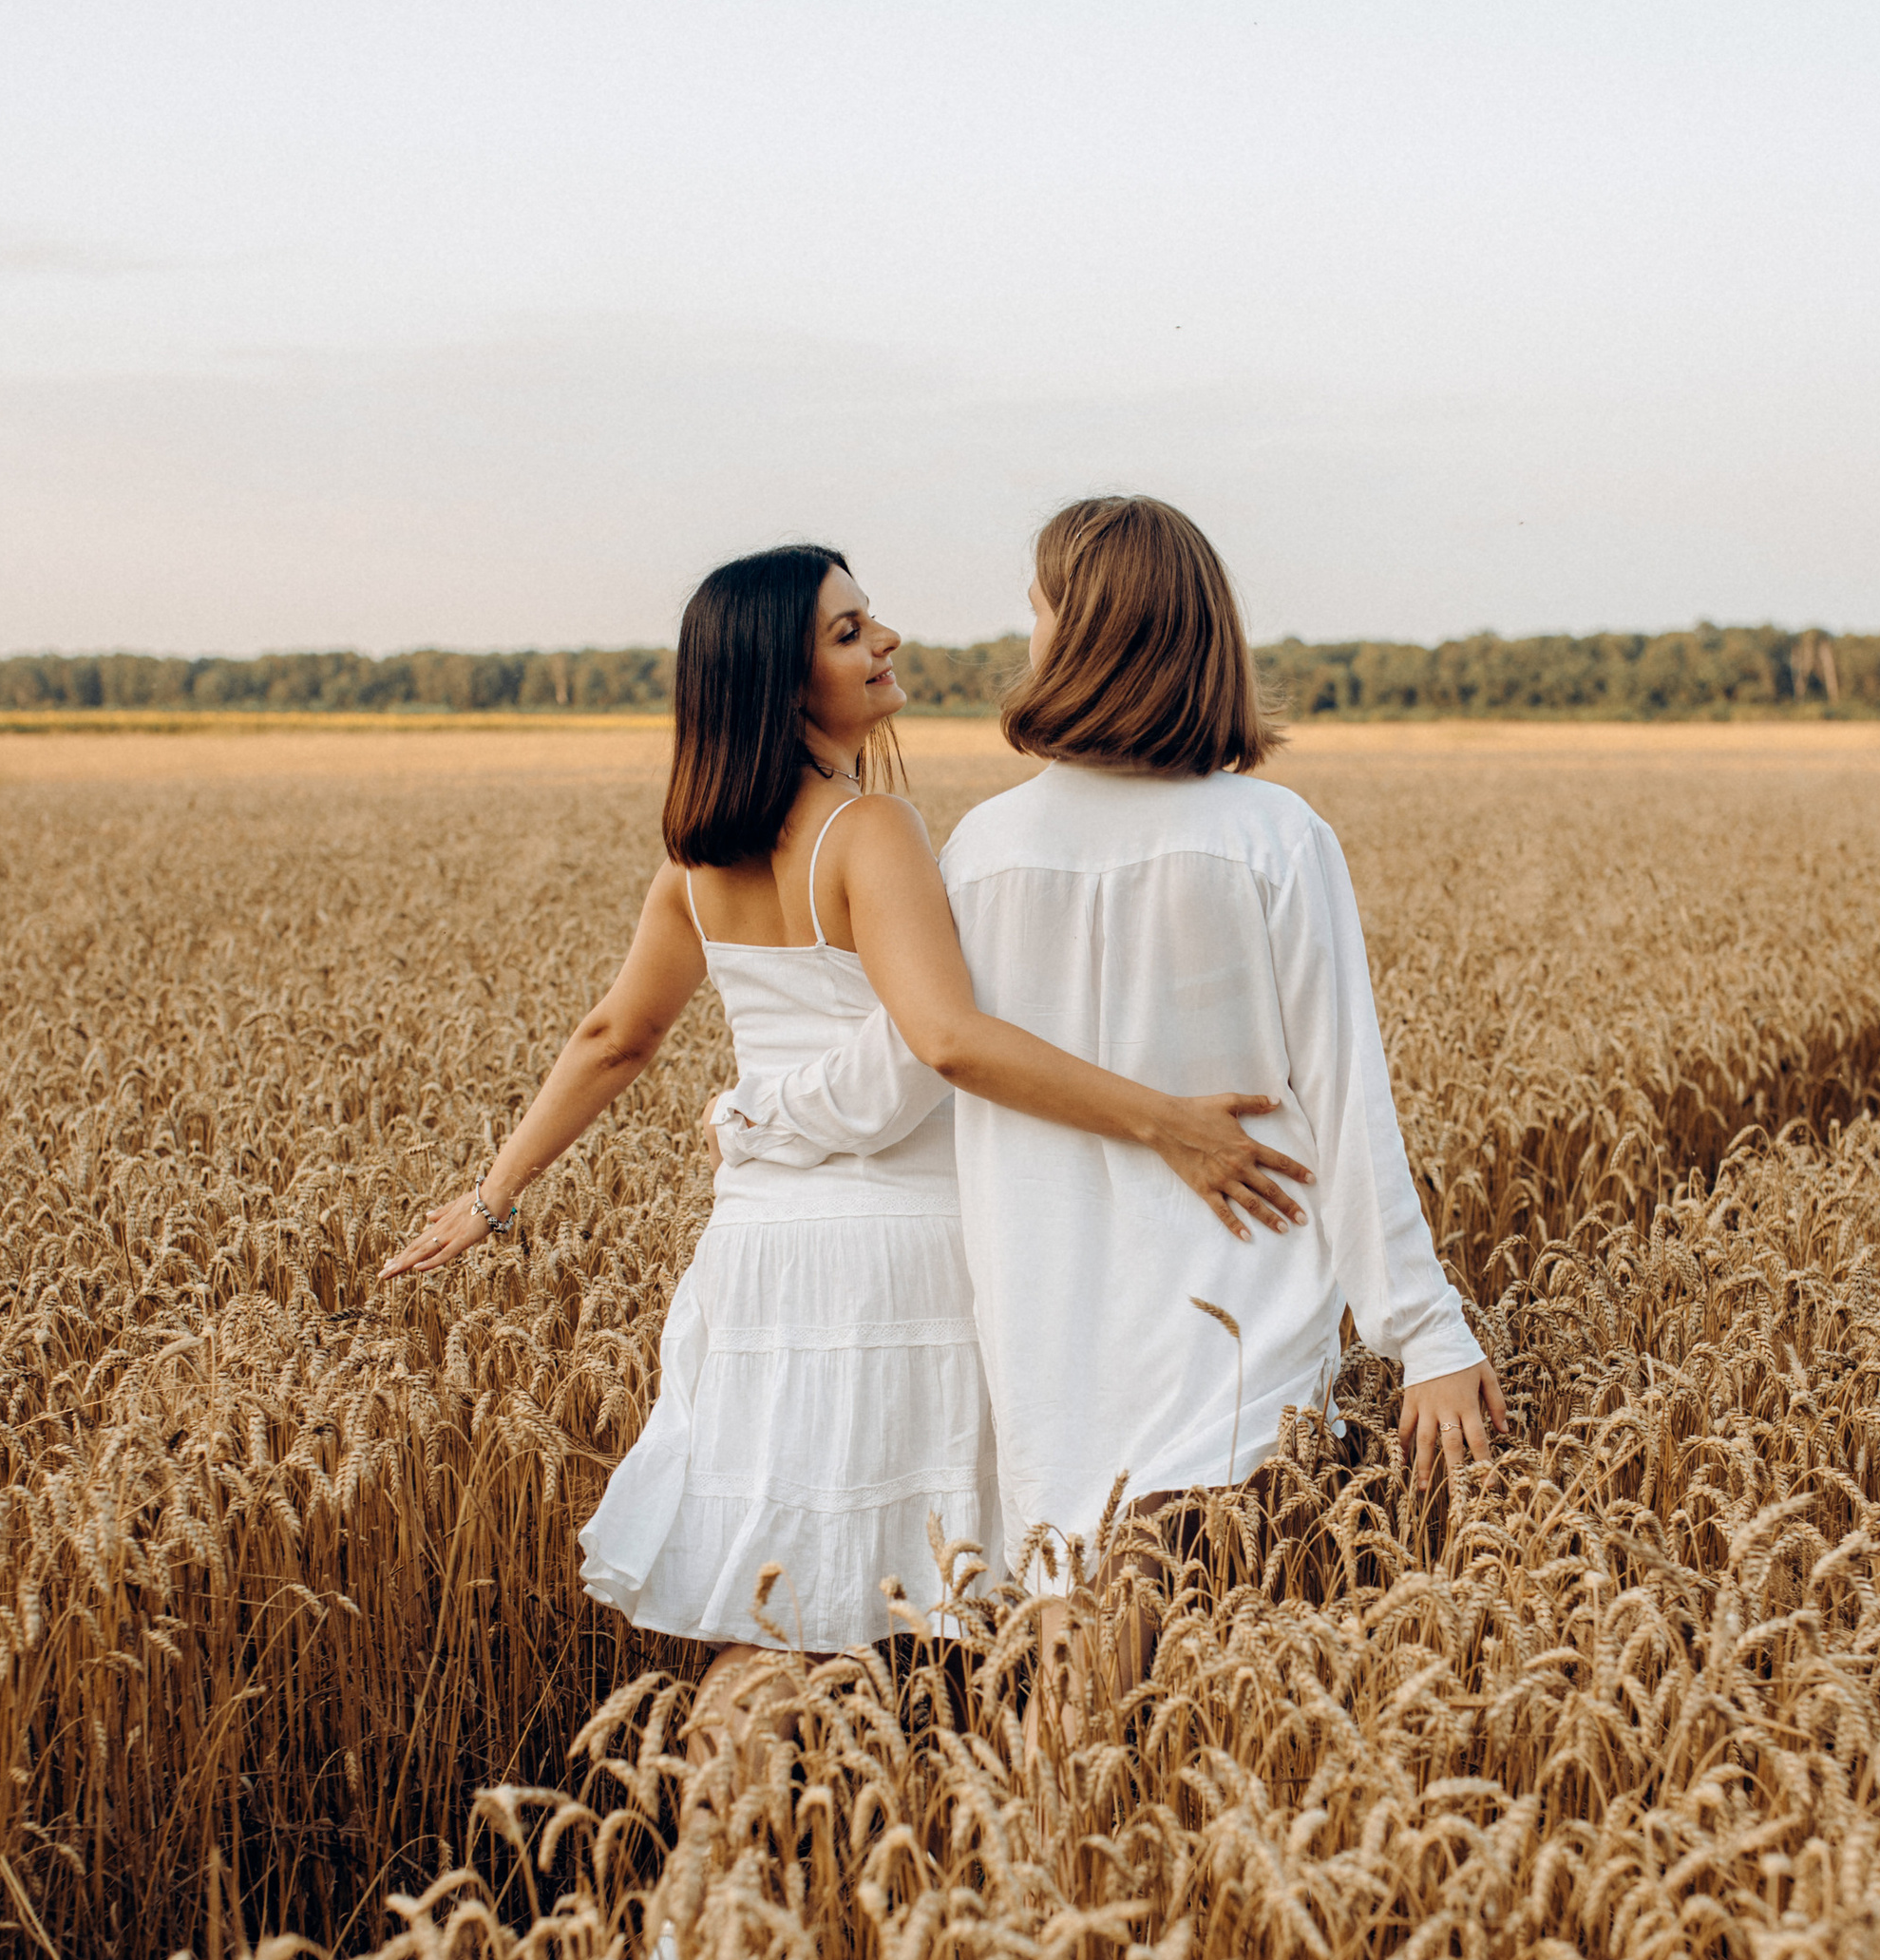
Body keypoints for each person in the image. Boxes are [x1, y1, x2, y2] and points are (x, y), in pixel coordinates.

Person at [379, 540, 1310, 1743]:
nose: (885, 643)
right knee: (919, 1605)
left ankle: (712, 1902)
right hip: (895, 1259)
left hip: (759, 1261)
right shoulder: (869, 831)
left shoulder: (695, 862)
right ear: (779, 678)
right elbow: (948, 1041)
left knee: (781, 1613)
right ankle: (929, 1855)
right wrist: (1167, 1121)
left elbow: (614, 1037)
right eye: (848, 632)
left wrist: (491, 1197)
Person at [712, 495, 1508, 1719]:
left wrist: (754, 1118)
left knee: (1089, 1688)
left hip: (1047, 1341)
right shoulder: (1271, 837)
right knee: (1214, 1695)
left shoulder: (979, 849)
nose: (1020, 633)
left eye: (1037, 607)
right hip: (1240, 1314)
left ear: (1087, 633)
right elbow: (1348, 1103)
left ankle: (1043, 1871)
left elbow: (899, 1067)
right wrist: (1425, 1337)